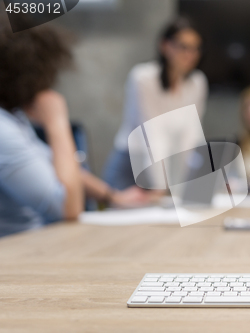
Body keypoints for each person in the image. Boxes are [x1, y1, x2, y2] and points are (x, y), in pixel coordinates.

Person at [0, 20, 151, 238]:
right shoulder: (3, 129)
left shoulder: (14, 118)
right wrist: (57, 123)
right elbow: (68, 208)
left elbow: (51, 164)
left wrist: (112, 196)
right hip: (20, 255)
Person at [104, 17, 208, 190]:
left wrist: (187, 184)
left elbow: (191, 136)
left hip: (169, 165)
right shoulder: (143, 78)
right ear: (165, 46)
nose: (190, 55)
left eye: (196, 49)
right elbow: (151, 136)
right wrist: (160, 187)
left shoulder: (197, 82)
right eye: (184, 47)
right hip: (133, 166)